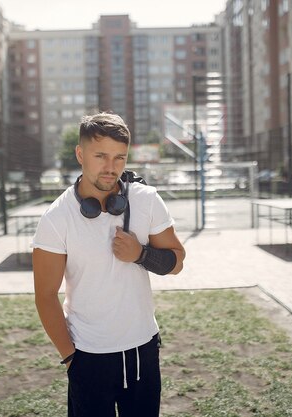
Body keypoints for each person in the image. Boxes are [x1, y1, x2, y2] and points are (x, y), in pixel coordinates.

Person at [32, 112, 186, 417]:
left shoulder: (146, 200)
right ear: (80, 154)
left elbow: (177, 262)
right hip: (87, 355)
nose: (111, 167)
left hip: (142, 349)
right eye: (100, 155)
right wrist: (71, 359)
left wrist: (141, 254)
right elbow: (45, 296)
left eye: (119, 157)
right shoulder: (56, 218)